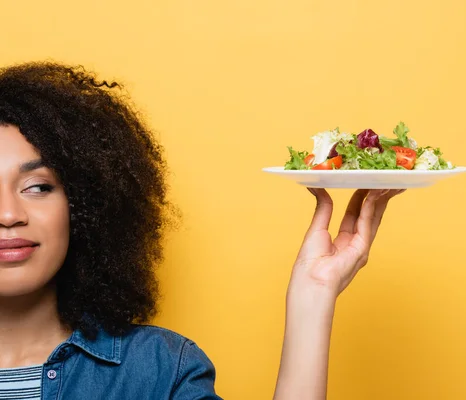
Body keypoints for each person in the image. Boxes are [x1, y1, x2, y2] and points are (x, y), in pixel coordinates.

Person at [0, 62, 404, 400]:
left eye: (38, 187)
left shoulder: (160, 370)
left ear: (84, 203)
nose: (8, 214)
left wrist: (313, 296)